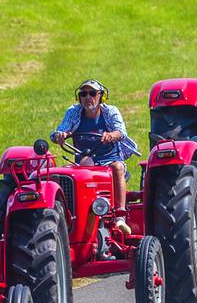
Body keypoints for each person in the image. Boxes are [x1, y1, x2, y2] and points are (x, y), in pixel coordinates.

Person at [51, 80, 139, 222]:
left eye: (92, 93)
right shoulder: (73, 112)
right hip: (83, 161)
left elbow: (121, 132)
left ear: (101, 96)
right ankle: (67, 216)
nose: (87, 97)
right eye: (83, 94)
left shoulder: (110, 111)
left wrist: (111, 135)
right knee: (62, 173)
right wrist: (59, 136)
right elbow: (59, 131)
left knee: (117, 167)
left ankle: (120, 216)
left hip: (109, 159)